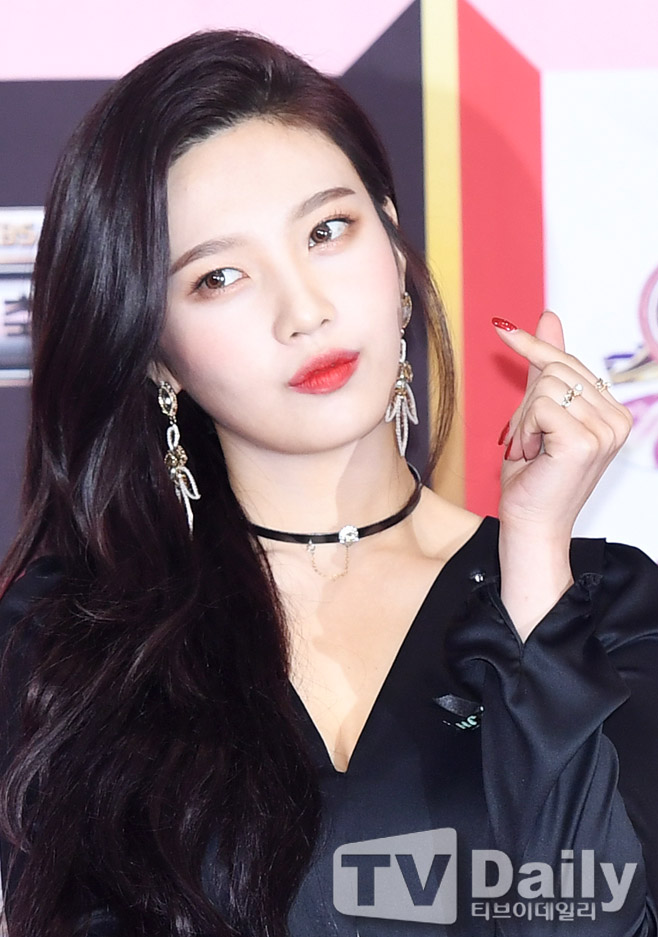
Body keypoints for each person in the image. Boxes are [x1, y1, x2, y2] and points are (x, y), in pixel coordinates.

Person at [0, 28, 656, 937]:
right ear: (157, 352)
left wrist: (535, 562)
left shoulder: (606, 607)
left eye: (326, 231)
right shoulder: (65, 642)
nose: (303, 309)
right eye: (220, 276)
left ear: (392, 242)